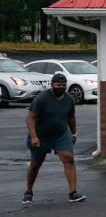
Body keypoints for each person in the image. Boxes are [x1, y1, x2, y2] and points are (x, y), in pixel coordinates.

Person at [22, 73, 86, 206]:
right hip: (41, 136)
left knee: (68, 157)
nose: (61, 87)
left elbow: (71, 118)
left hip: (61, 134)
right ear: (52, 85)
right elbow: (30, 117)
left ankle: (73, 193)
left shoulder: (68, 99)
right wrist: (34, 136)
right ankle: (28, 192)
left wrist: (74, 134)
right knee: (35, 165)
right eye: (58, 85)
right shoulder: (41, 99)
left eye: (63, 85)